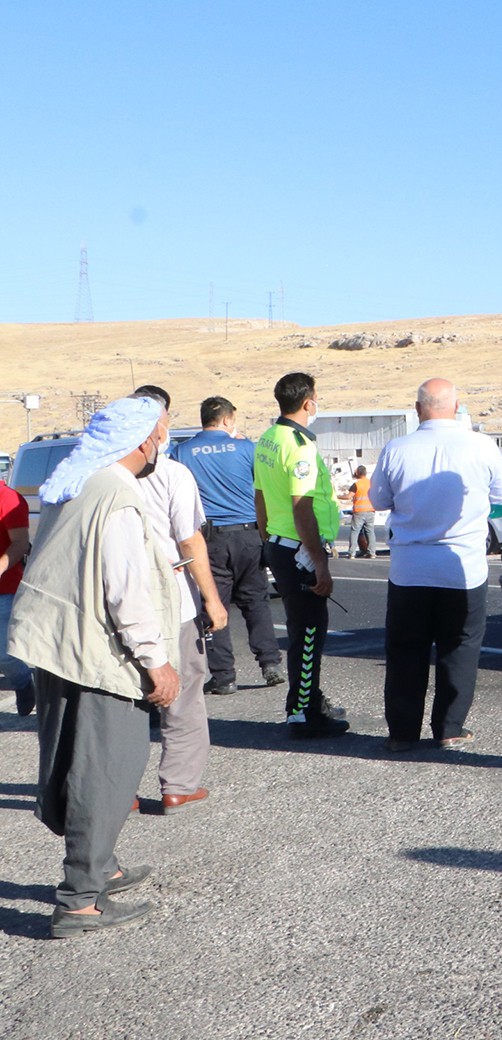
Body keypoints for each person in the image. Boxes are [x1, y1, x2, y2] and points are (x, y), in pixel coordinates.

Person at [5, 396, 179, 937]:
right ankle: (79, 900)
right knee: (106, 771)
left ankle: (100, 866)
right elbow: (125, 591)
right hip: (97, 655)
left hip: (57, 645)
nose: (163, 442)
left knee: (72, 761)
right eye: (162, 433)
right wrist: (157, 663)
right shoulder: (114, 496)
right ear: (143, 439)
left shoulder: (75, 481)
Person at [368, 378, 502, 753]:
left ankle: (402, 733)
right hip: (462, 566)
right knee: (460, 647)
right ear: (457, 406)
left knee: (405, 650)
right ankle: (449, 728)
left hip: (410, 567)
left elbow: (379, 499)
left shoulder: (397, 448)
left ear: (418, 409)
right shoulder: (481, 445)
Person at [130, 385, 230, 814]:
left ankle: (118, 789)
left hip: (115, 592)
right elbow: (190, 542)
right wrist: (212, 600)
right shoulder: (172, 474)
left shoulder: (99, 474)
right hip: (169, 595)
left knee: (126, 695)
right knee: (184, 692)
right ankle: (179, 784)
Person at [254, 372, 349, 739]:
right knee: (309, 634)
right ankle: (303, 711)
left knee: (300, 630)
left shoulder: (268, 439)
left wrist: (268, 540)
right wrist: (320, 563)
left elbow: (260, 497)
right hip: (299, 549)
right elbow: (302, 506)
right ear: (308, 402)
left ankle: (307, 699)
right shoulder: (299, 445)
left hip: (279, 543)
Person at [174, 396, 285, 693]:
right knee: (256, 601)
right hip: (249, 534)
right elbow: (264, 490)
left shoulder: (182, 452)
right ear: (226, 420)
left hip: (210, 539)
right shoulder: (247, 448)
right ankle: (270, 663)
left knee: (214, 604)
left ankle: (224, 676)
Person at [0, 476, 31, 715]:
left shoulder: (8, 498)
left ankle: (23, 682)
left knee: (4, 655)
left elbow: (20, 543)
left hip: (5, 589)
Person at [345, 466, 375, 559]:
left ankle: (352, 553)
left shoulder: (356, 484)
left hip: (359, 512)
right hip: (371, 510)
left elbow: (348, 496)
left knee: (355, 532)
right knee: (370, 532)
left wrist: (336, 496)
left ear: (357, 473)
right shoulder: (371, 483)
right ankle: (372, 552)